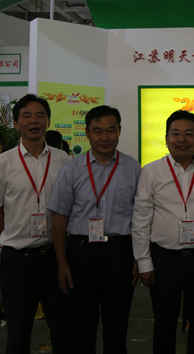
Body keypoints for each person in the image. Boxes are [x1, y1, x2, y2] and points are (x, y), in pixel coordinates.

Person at [48, 105, 141, 354]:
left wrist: (138, 256)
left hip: (119, 254)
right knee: (80, 330)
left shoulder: (133, 168)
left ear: (119, 131)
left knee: (117, 328)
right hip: (81, 254)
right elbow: (60, 218)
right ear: (87, 133)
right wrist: (62, 264)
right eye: (98, 131)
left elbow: (140, 218)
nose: (104, 137)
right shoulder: (71, 169)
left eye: (111, 130)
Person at [133, 109, 194, 353]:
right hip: (164, 260)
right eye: (176, 133)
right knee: (163, 323)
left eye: (188, 134)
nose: (182, 139)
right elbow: (141, 219)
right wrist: (144, 261)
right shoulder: (151, 171)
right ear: (166, 138)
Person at [0, 94, 72, 354]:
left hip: (56, 258)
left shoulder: (63, 160)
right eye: (26, 116)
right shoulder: (2, 162)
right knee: (18, 331)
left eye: (40, 115)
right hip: (18, 260)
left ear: (48, 121)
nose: (34, 121)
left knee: (63, 329)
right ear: (16, 123)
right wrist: (13, 235)